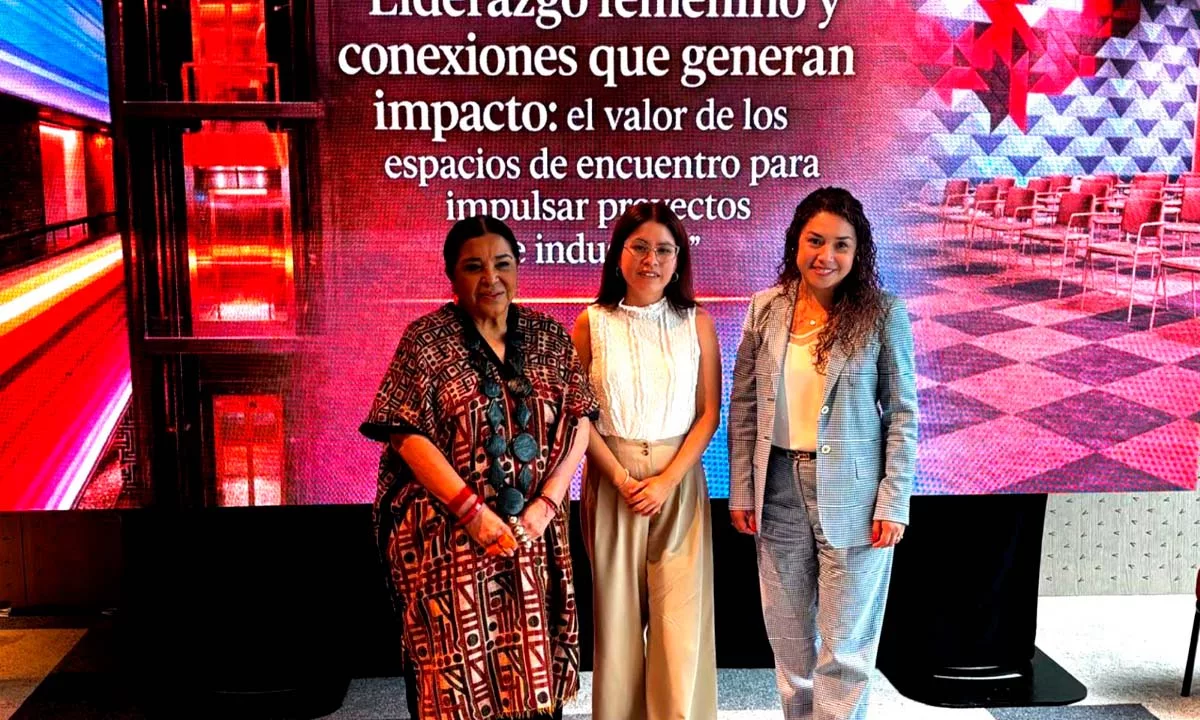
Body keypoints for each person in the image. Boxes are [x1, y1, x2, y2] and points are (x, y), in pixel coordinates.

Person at [360, 215, 598, 720]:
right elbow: (405, 433)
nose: (491, 278)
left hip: (531, 536)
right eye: (474, 267)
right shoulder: (425, 341)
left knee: (535, 678)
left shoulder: (549, 338)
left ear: (518, 269)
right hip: (449, 539)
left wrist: (548, 502)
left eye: (502, 264)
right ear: (452, 274)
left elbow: (580, 419)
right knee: (454, 684)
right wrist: (472, 513)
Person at [728, 187, 918, 720]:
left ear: (858, 252)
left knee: (845, 650)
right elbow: (745, 405)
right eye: (815, 241)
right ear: (796, 242)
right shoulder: (765, 308)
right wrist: (743, 489)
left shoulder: (882, 313)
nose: (825, 255)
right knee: (790, 645)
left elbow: (903, 414)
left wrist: (893, 501)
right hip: (777, 491)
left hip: (856, 498)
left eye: (841, 244)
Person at [571, 202, 721, 720]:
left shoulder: (697, 322)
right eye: (639, 247)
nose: (650, 260)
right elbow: (577, 416)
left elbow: (708, 414)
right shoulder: (591, 323)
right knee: (617, 626)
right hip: (611, 479)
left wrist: (665, 481)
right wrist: (619, 477)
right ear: (618, 254)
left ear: (678, 260)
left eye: (663, 249)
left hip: (678, 482)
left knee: (680, 624)